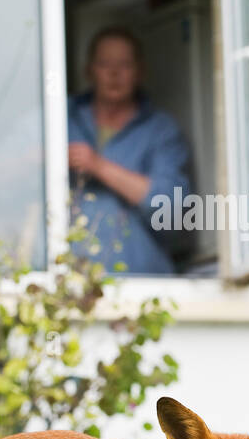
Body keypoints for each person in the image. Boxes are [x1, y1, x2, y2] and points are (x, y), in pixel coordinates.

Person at [67, 27, 190, 275]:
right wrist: (35, 159)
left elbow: (175, 214)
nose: (114, 73)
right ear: (88, 71)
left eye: (124, 65)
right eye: (104, 64)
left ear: (140, 72)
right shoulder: (58, 118)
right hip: (65, 286)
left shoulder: (160, 130)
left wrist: (99, 166)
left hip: (140, 286)